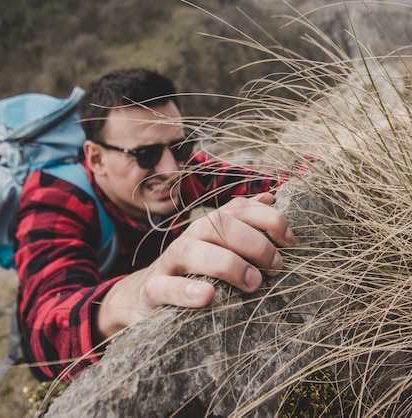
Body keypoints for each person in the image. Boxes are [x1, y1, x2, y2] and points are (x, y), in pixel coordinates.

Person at [15, 68, 293, 381]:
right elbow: (44, 331)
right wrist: (138, 293)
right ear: (96, 159)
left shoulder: (183, 167)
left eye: (181, 146)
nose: (170, 169)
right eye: (144, 154)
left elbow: (267, 182)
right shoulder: (54, 197)